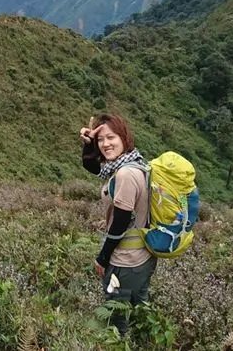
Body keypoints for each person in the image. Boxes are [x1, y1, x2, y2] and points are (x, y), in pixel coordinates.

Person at [80, 113, 155, 337]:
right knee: (140, 313)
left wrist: (102, 258)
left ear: (124, 137)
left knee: (117, 319)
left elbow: (121, 222)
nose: (105, 144)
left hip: (125, 260)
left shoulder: (124, 174)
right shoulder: (131, 162)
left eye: (111, 137)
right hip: (141, 256)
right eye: (100, 140)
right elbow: (91, 166)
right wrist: (88, 144)